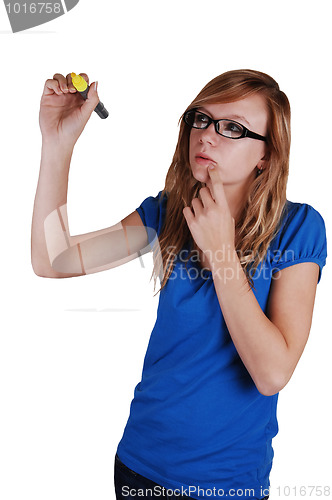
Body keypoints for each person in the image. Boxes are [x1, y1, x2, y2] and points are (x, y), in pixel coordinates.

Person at [31, 69, 327, 500]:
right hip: (139, 467)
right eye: (200, 119)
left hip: (226, 484)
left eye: (232, 128)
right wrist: (57, 144)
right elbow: (52, 259)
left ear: (267, 154)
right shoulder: (169, 210)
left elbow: (272, 372)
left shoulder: (299, 228)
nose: (206, 135)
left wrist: (222, 253)